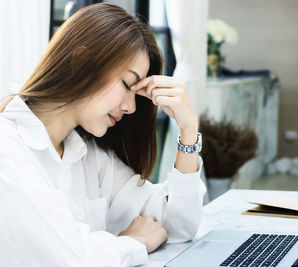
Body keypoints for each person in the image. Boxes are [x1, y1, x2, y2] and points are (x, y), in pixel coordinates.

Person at [0, 3, 205, 266]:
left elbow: (176, 227)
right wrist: (134, 242)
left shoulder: (87, 155)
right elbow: (69, 259)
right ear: (81, 61)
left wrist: (188, 131)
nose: (131, 107)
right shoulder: (8, 150)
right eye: (126, 84)